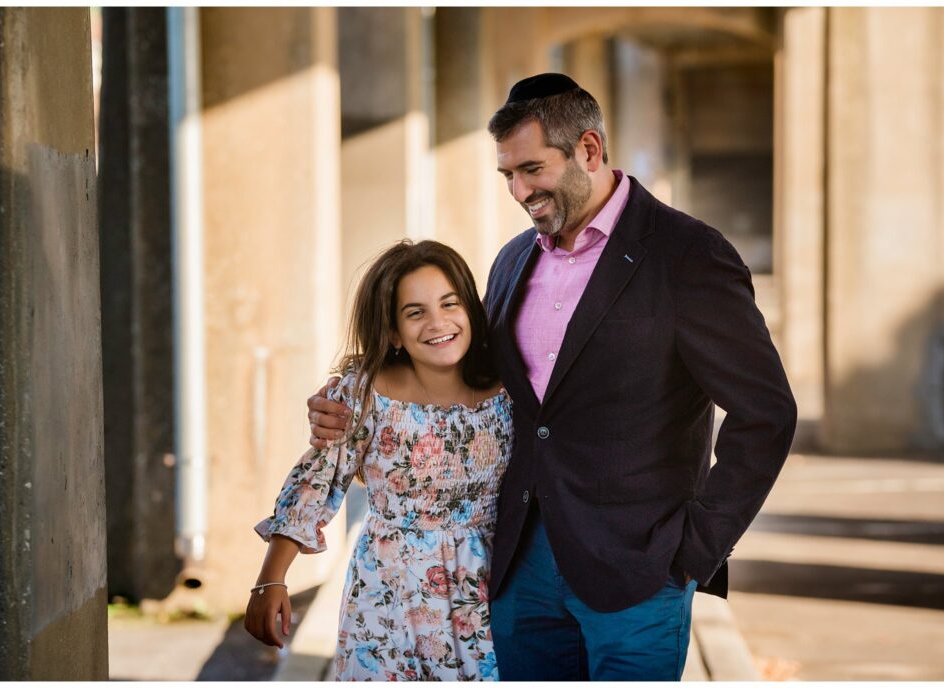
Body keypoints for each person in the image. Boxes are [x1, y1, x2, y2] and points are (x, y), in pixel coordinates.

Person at [308, 73, 797, 680]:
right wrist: (356, 391)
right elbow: (467, 370)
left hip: (638, 569)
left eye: (531, 169)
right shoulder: (514, 258)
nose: (518, 190)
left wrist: (696, 547)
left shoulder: (688, 255)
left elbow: (766, 413)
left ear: (588, 150)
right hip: (516, 565)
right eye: (508, 175)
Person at [245, 240, 511, 681]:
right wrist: (271, 578)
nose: (438, 322)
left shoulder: (508, 391)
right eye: (415, 312)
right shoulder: (365, 395)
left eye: (450, 303)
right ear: (392, 332)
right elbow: (316, 482)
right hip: (389, 596)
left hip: (486, 590)